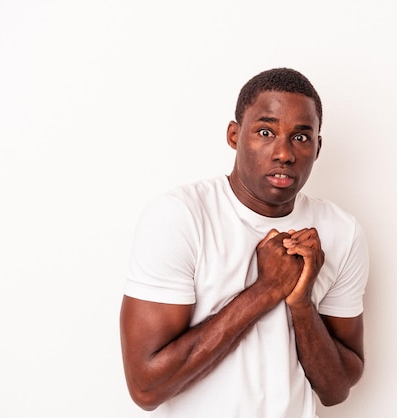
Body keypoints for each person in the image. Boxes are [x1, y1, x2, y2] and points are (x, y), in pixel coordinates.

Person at [120, 68, 369, 418]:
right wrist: (265, 291)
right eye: (265, 132)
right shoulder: (181, 216)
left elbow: (337, 388)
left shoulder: (342, 231)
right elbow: (145, 388)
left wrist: (301, 304)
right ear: (235, 135)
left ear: (317, 147)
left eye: (301, 137)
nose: (284, 153)